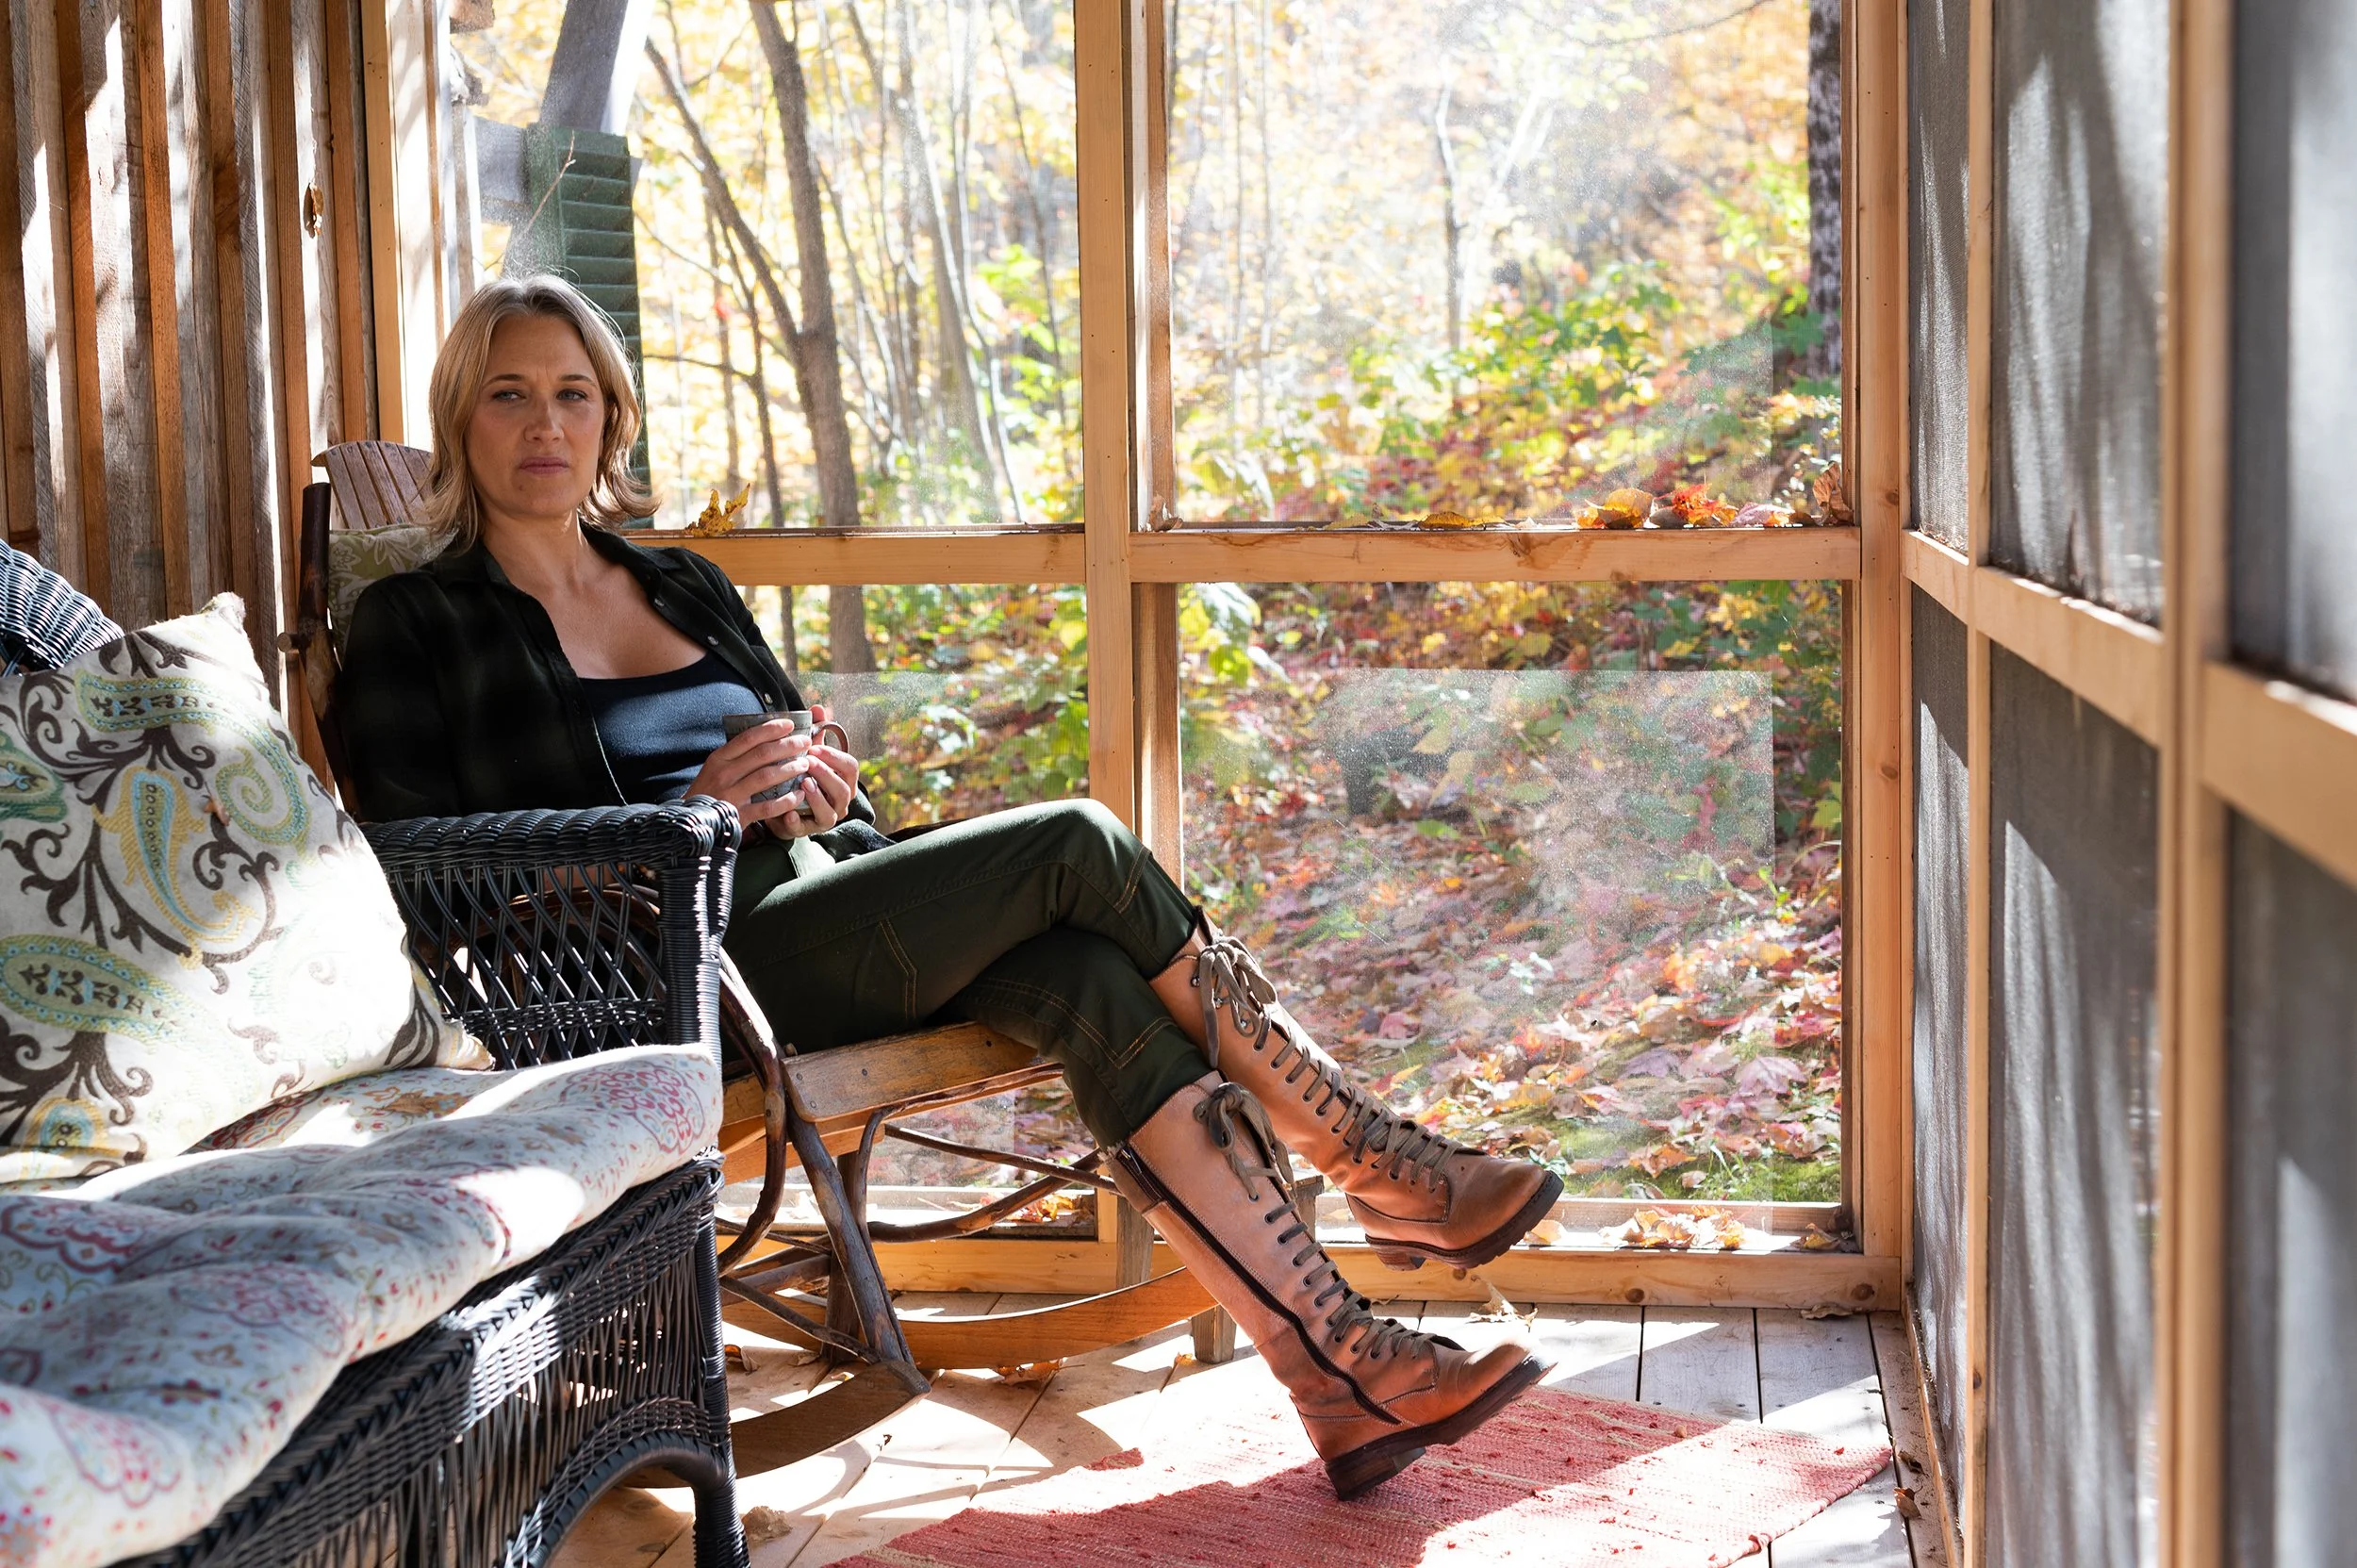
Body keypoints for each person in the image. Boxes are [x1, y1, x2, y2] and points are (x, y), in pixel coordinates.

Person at [338, 274, 1560, 1499]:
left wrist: (824, 792)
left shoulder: (683, 586)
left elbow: (827, 789)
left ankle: (1341, 1372)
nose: (545, 424)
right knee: (1077, 839)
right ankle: (1369, 1158)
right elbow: (426, 872)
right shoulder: (415, 624)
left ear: (612, 417)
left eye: (571, 394)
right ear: (463, 420)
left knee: (1087, 973)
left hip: (817, 916)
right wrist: (687, 815)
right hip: (659, 980)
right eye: (509, 396)